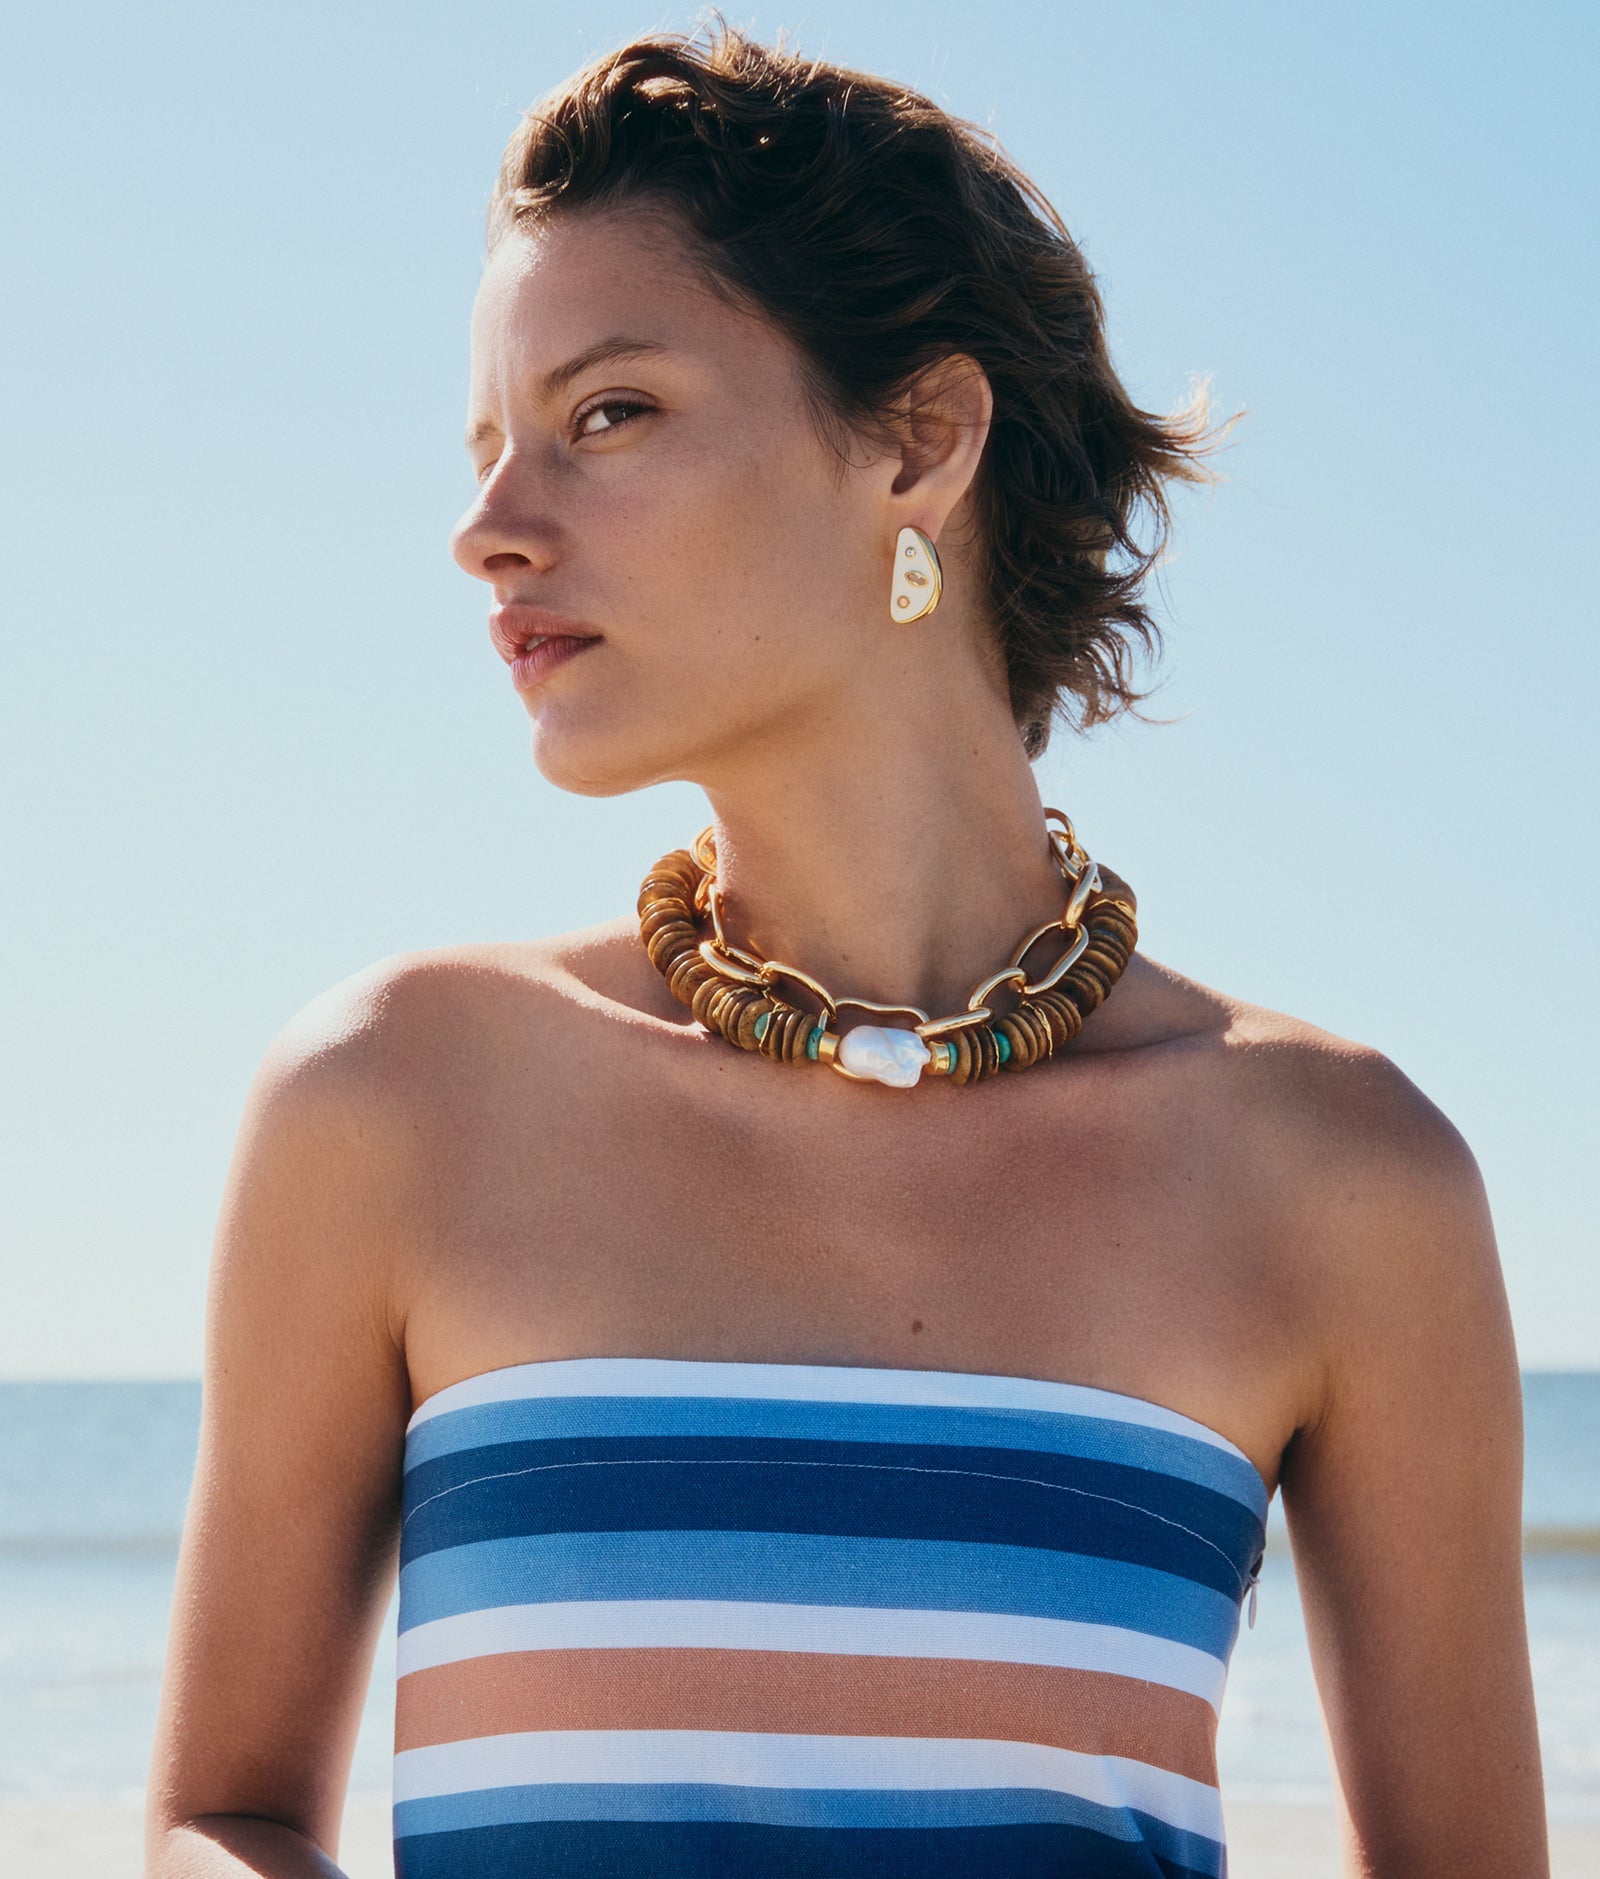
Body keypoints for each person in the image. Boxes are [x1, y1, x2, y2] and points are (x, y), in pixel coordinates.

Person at [146, 20, 1547, 1879]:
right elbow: (216, 1818)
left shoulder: (1347, 1180)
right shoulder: (390, 1097)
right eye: (489, 446)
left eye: (609, 414)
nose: (486, 531)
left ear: (919, 438)